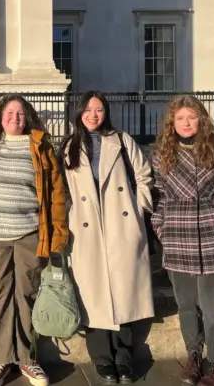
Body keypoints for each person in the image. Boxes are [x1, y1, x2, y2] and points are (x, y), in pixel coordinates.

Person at [152, 95, 214, 386]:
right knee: (187, 304)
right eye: (180, 118)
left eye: (191, 117)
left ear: (201, 119)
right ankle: (194, 356)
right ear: (172, 123)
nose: (186, 123)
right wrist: (162, 229)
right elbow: (159, 199)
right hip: (178, 239)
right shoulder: (162, 154)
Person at [61, 91, 153, 385]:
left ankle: (124, 358)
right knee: (93, 295)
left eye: (99, 109)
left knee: (124, 293)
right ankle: (102, 359)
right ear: (79, 113)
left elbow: (144, 176)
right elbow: (61, 189)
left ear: (106, 113)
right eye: (88, 109)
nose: (93, 114)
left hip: (121, 227)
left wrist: (138, 209)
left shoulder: (123, 141)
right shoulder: (68, 146)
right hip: (86, 231)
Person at [0, 94, 68, 386]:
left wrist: (57, 236)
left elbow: (55, 194)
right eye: (9, 112)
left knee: (27, 294)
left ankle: (28, 360)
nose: (14, 118)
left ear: (27, 117)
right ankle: (2, 359)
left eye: (20, 113)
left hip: (29, 234)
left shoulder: (40, 147)